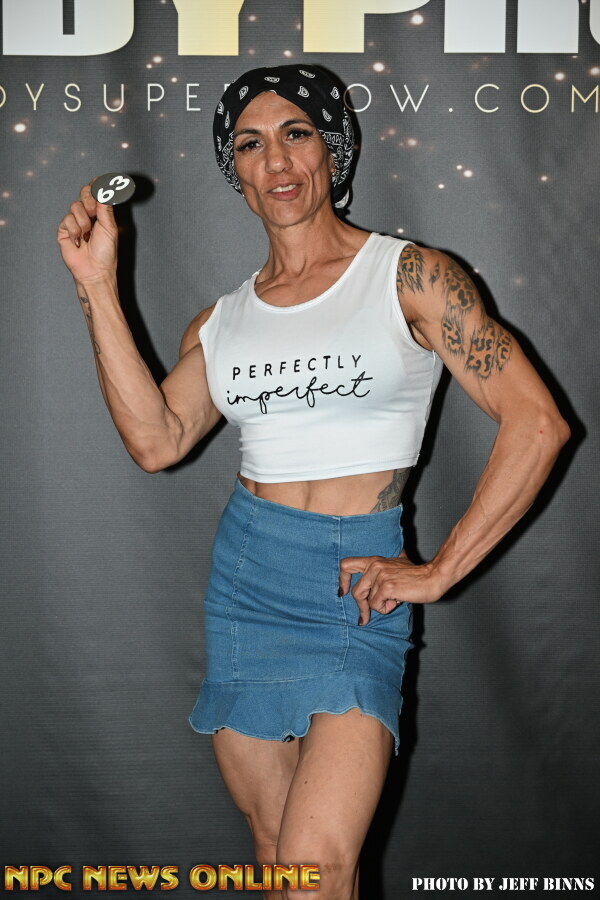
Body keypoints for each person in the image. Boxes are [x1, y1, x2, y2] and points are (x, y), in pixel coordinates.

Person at [57, 63, 570, 900]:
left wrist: (440, 570)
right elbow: (157, 439)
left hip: (353, 591)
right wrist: (96, 288)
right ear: (234, 170)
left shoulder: (409, 275)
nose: (276, 161)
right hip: (247, 586)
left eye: (295, 134)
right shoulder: (222, 320)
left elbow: (538, 423)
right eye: (249, 144)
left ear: (333, 150)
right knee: (277, 863)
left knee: (315, 874)